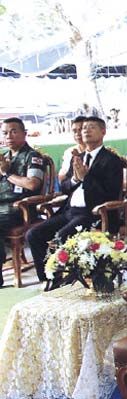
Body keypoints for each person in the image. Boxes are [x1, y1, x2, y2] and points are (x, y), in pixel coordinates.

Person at [26, 117, 124, 282]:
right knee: (33, 234)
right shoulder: (78, 158)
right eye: (83, 128)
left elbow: (110, 194)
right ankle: (49, 280)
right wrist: (75, 180)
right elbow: (64, 187)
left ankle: (69, 281)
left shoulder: (111, 160)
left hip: (93, 213)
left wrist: (86, 178)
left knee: (62, 236)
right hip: (70, 211)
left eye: (91, 127)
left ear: (103, 132)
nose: (85, 131)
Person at [0, 118, 44, 286]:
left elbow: (32, 184)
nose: (9, 136)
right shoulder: (4, 157)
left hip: (20, 207)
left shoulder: (33, 156)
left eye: (13, 131)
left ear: (24, 134)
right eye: (5, 133)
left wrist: (7, 174)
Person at [59, 116, 88, 182]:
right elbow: (62, 177)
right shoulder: (69, 152)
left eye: (80, 130)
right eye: (74, 131)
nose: (77, 134)